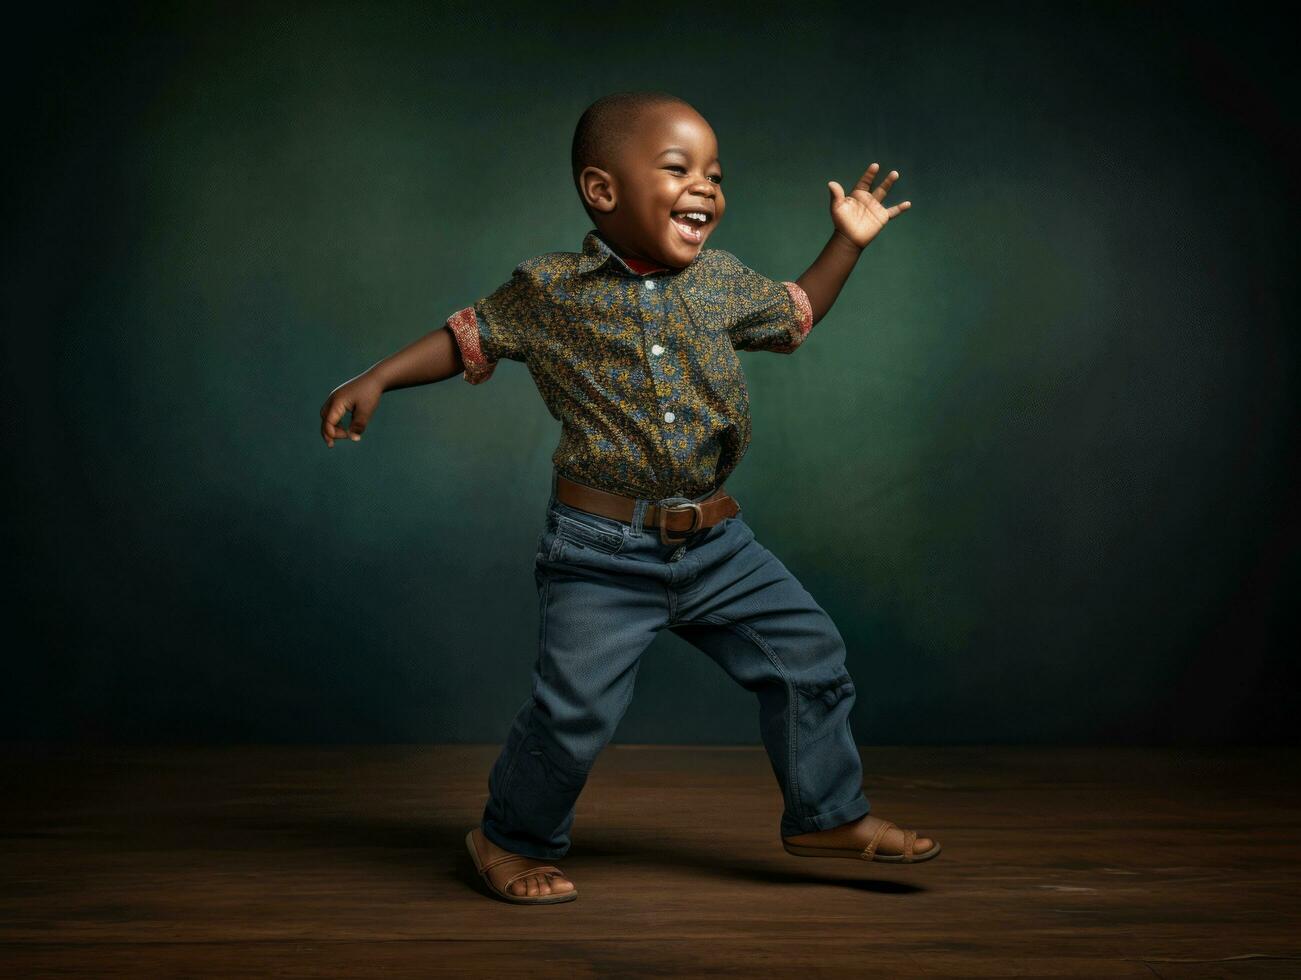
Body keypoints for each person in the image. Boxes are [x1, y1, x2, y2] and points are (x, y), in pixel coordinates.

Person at [318, 91, 939, 905]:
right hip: (599, 551)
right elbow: (468, 336)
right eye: (678, 169)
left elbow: (793, 318)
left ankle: (824, 814)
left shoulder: (719, 281)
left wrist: (845, 245)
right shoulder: (549, 290)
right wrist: (377, 379)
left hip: (716, 546)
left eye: (714, 174)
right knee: (573, 715)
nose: (706, 188)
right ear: (602, 191)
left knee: (810, 657)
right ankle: (507, 838)